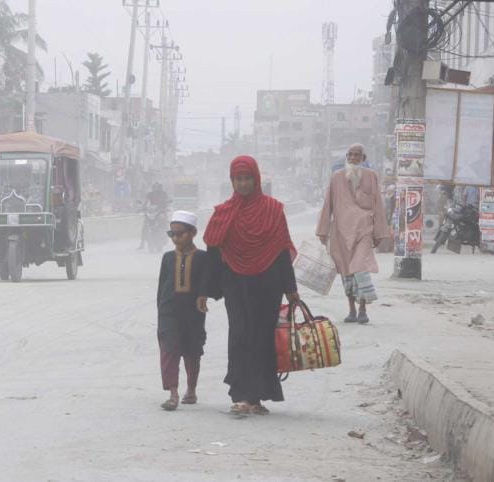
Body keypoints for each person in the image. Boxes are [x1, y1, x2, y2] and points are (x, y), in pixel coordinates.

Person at [201, 155, 299, 416]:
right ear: (232, 181)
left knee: (262, 337)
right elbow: (212, 249)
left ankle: (256, 397)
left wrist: (291, 289)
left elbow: (280, 251)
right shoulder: (223, 213)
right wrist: (206, 290)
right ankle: (241, 394)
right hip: (235, 282)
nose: (243, 184)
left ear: (256, 180)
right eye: (238, 179)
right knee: (240, 335)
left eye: (248, 179)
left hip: (268, 283)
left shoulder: (273, 210)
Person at [317, 144, 391, 324]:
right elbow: (328, 205)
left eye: (356, 155)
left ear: (363, 158)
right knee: (346, 273)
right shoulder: (336, 177)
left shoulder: (371, 177)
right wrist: (323, 230)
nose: (352, 158)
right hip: (341, 232)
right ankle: (351, 310)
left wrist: (380, 232)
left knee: (361, 268)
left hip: (364, 231)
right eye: (349, 155)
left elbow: (378, 205)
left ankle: (363, 309)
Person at [156, 210, 215, 411]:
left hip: (193, 312)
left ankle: (191, 390)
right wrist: (160, 311)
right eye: (171, 234)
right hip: (169, 310)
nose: (175, 238)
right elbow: (161, 286)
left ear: (192, 233)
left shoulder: (203, 257)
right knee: (169, 350)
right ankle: (173, 393)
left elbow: (206, 282)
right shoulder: (167, 257)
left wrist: (203, 297)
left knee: (192, 350)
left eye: (179, 233)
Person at [138, 182, 171, 249]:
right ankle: (142, 243)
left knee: (164, 222)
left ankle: (165, 235)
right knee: (145, 225)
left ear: (160, 187)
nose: (156, 188)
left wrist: (165, 207)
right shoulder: (150, 194)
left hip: (161, 211)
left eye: (157, 187)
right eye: (155, 187)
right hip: (152, 212)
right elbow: (146, 201)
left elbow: (167, 201)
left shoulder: (163, 194)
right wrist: (142, 208)